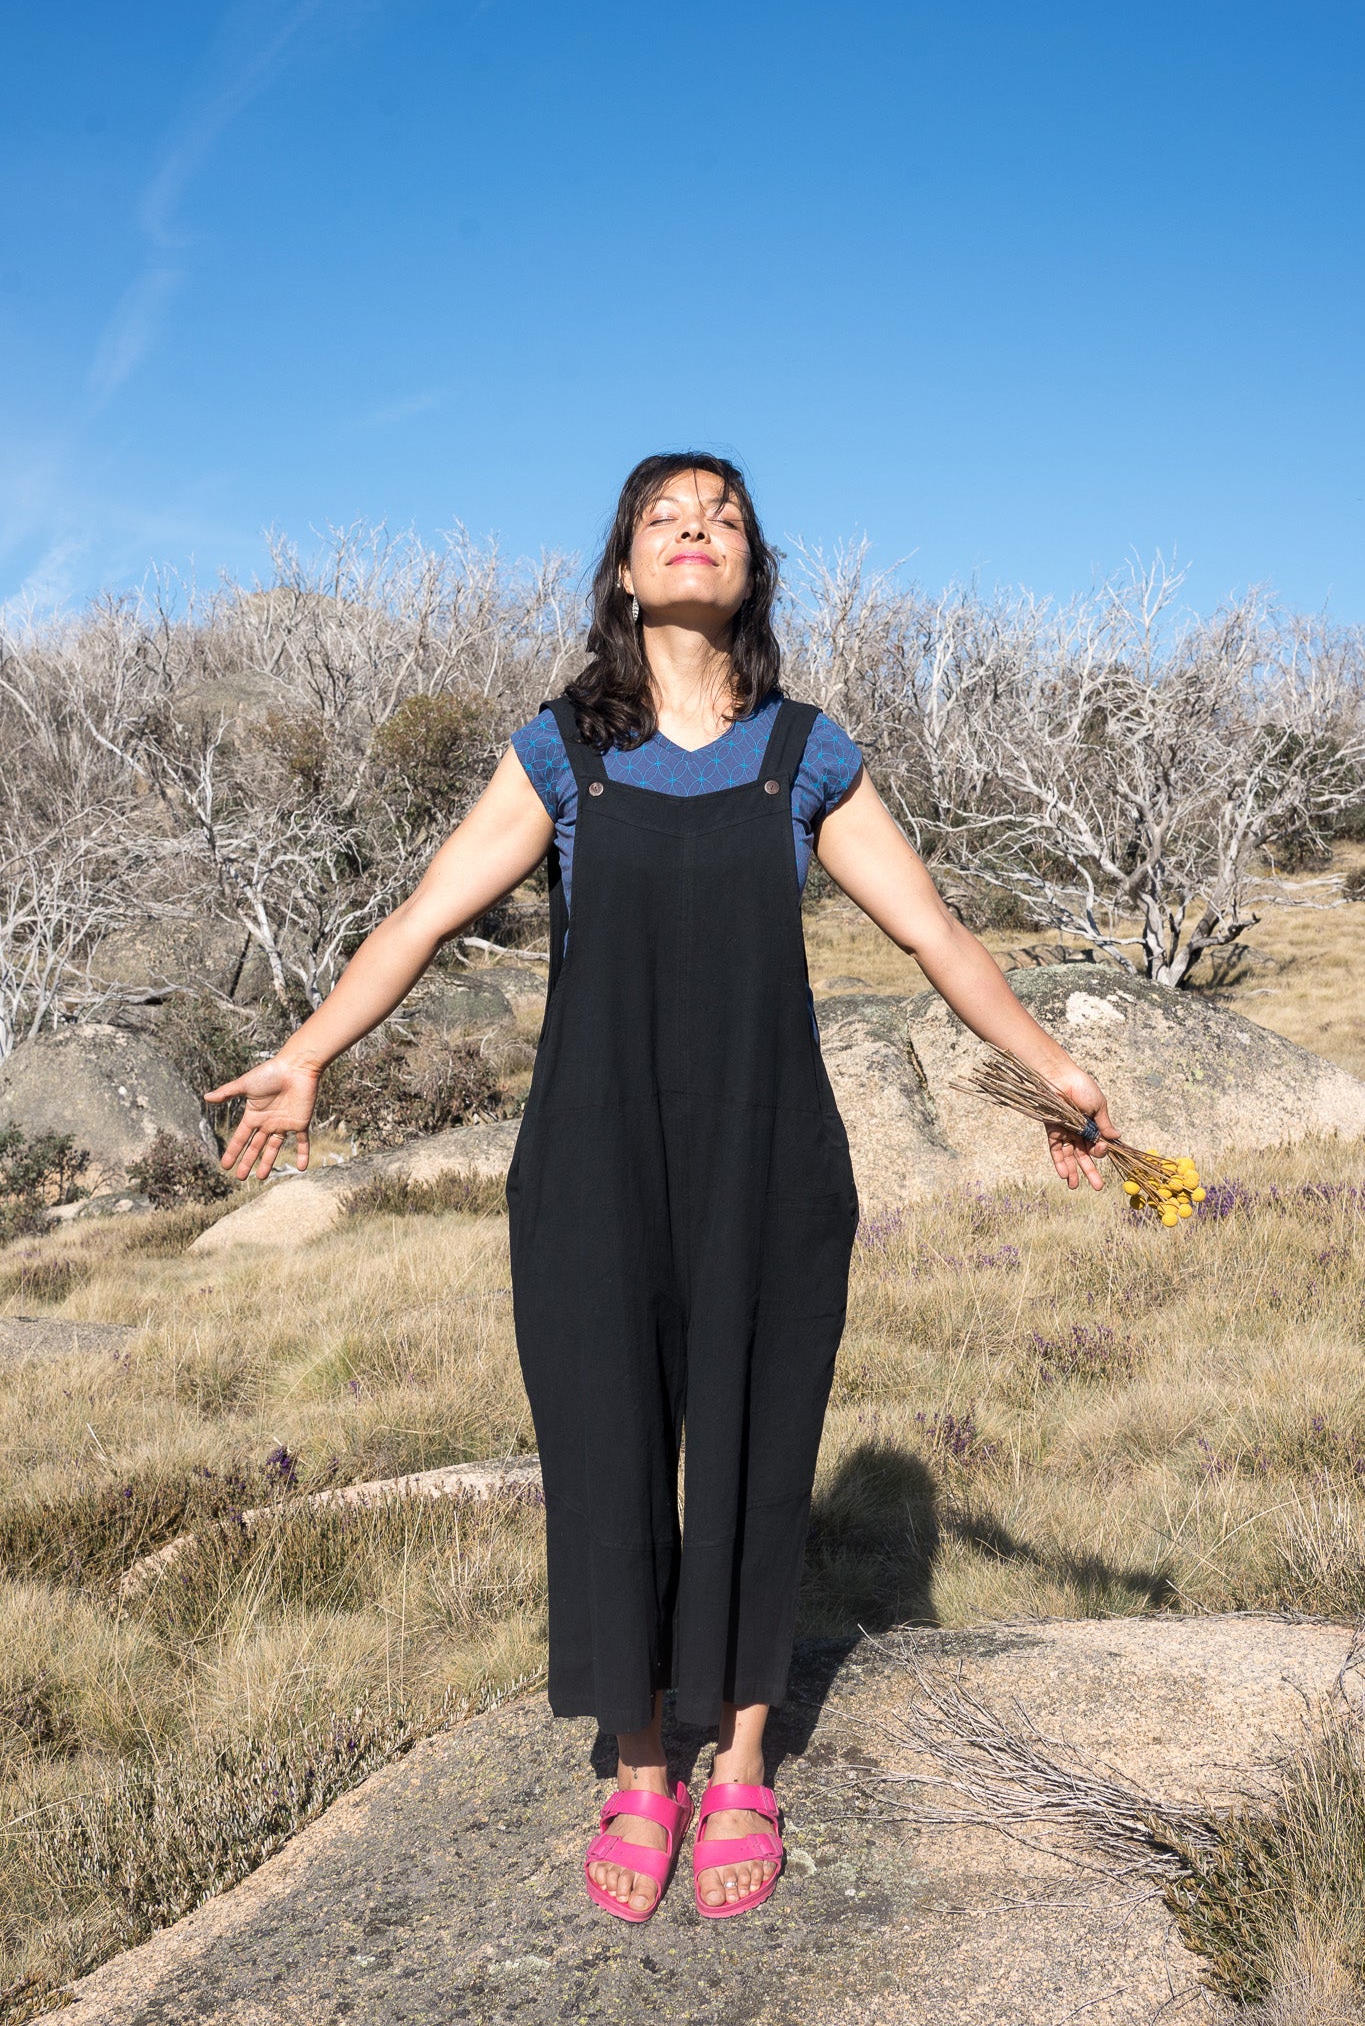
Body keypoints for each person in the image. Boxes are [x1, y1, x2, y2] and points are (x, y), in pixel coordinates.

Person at [206, 452, 1116, 1923]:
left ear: (750, 569)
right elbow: (422, 918)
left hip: (770, 1158)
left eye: (725, 518)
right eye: (663, 519)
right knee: (607, 1450)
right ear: (624, 573)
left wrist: (1056, 1071)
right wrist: (307, 1053)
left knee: (759, 1450)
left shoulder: (803, 756)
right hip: (589, 1159)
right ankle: (642, 1765)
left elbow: (938, 939)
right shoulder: (562, 752)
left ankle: (742, 1756)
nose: (697, 532)